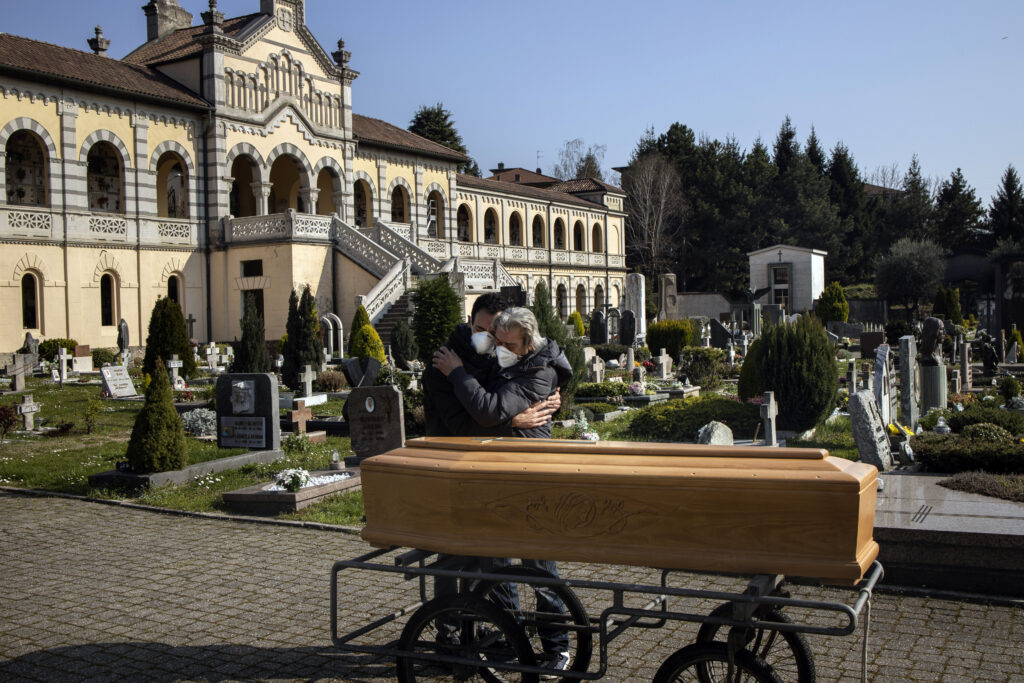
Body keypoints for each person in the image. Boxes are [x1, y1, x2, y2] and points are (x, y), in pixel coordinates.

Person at [432, 306, 573, 672]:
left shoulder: (537, 371)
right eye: (496, 340)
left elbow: (488, 411)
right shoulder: (502, 362)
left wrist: (463, 376)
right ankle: (509, 641)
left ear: (528, 344)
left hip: (530, 478)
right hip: (495, 477)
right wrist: (514, 419)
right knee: (497, 570)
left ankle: (557, 647)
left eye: (508, 343)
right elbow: (489, 414)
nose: (500, 348)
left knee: (540, 569)